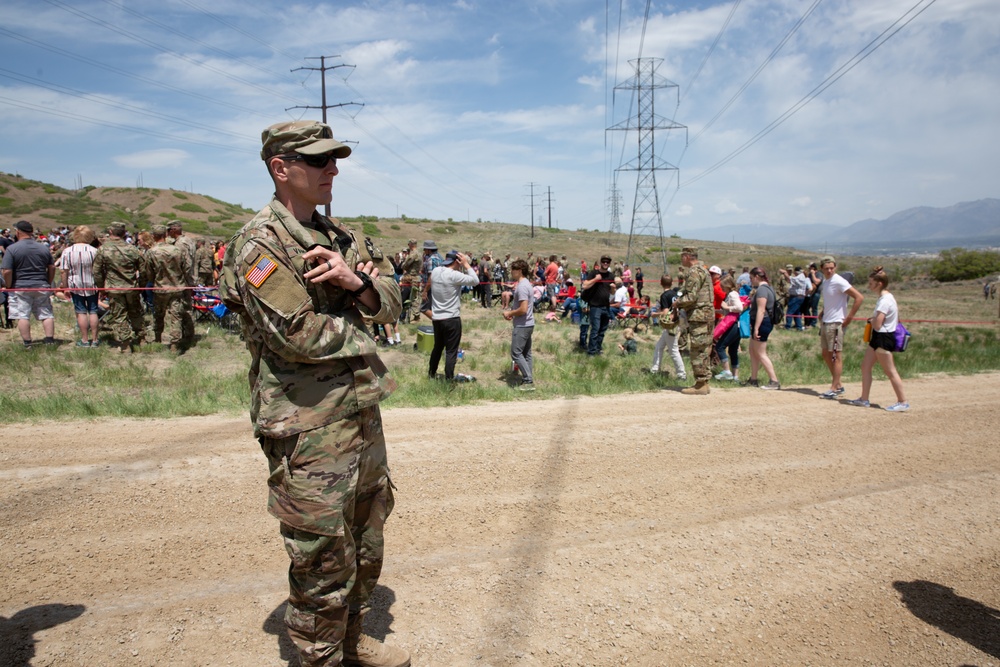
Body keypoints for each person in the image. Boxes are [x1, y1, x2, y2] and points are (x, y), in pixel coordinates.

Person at [219, 120, 408, 667]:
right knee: (321, 553)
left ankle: (350, 642)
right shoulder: (260, 243)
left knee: (367, 537)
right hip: (306, 425)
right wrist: (368, 320)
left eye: (335, 159)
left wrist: (358, 284)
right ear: (281, 168)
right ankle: (320, 658)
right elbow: (297, 335)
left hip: (359, 412)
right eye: (320, 160)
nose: (334, 169)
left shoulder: (344, 238)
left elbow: (395, 300)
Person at [848, 266, 909, 412]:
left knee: (890, 371)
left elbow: (877, 324)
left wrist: (873, 319)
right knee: (865, 366)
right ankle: (864, 399)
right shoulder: (886, 298)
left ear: (879, 283)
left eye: (871, 283)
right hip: (878, 337)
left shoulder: (884, 301)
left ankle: (902, 401)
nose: (869, 286)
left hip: (883, 337)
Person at [93, 221, 147, 353]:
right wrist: (141, 285)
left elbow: (97, 272)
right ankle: (141, 339)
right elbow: (144, 270)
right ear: (124, 233)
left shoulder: (103, 250)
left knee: (119, 316)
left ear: (111, 232)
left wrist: (101, 288)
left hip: (114, 288)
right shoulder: (133, 249)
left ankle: (125, 343)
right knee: (136, 312)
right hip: (132, 287)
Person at [1, 220, 56, 347]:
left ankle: (27, 343)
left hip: (20, 286)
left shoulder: (12, 249)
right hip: (41, 285)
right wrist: (47, 281)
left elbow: (7, 271)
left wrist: (9, 285)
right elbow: (52, 267)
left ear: (18, 232)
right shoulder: (43, 247)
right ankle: (49, 340)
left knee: (23, 315)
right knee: (46, 313)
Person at [817, 255, 864, 399]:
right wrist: (823, 311)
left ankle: (834, 386)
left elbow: (859, 297)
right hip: (826, 322)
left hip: (836, 323)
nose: (829, 270)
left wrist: (849, 317)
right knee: (826, 354)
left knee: (836, 355)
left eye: (832, 268)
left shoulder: (839, 281)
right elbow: (832, 300)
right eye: (826, 268)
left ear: (835, 267)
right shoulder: (826, 282)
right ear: (822, 269)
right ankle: (838, 384)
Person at [428, 249, 479, 382]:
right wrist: (467, 265)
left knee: (437, 348)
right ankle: (449, 379)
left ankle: (431, 373)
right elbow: (475, 280)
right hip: (451, 318)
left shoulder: (436, 271)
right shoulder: (454, 275)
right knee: (451, 351)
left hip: (437, 317)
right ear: (457, 261)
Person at [146, 225, 192, 353]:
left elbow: (148, 272)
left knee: (158, 315)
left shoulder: (152, 252)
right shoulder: (176, 250)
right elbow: (186, 267)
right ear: (165, 235)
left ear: (154, 236)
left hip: (160, 288)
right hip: (177, 288)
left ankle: (157, 338)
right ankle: (174, 344)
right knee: (175, 316)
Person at [674, 247, 713, 394]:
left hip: (699, 315)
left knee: (697, 349)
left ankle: (701, 383)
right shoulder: (703, 270)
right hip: (706, 315)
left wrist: (677, 303)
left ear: (688, 257)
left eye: (682, 256)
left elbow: (691, 297)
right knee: (704, 349)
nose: (681, 259)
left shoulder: (694, 272)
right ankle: (704, 382)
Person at [57, 225, 100, 348]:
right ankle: (95, 340)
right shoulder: (95, 251)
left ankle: (85, 340)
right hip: (93, 284)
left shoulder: (67, 251)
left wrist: (65, 287)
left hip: (76, 285)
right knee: (93, 311)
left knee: (80, 312)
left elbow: (63, 271)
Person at [502, 258, 535, 390]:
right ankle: (528, 378)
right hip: (528, 323)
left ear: (520, 271)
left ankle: (528, 381)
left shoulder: (522, 286)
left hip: (523, 325)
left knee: (516, 353)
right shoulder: (526, 284)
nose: (511, 272)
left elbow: (523, 309)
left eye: (513, 270)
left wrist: (510, 313)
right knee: (526, 353)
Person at [745, 267, 780, 389]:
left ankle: (774, 380)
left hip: (762, 322)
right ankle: (753, 379)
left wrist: (756, 328)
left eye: (751, 278)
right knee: (753, 350)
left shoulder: (761, 290)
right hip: (763, 322)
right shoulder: (769, 288)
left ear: (756, 276)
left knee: (760, 353)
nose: (751, 281)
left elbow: (761, 310)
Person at [713, 275, 745, 381]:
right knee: (732, 351)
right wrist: (717, 311)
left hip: (733, 325)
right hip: (736, 325)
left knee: (720, 347)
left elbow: (739, 308)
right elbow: (729, 311)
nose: (721, 288)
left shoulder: (732, 294)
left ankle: (727, 372)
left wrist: (726, 307)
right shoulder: (731, 294)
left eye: (722, 286)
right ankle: (736, 377)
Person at [581, 255, 613, 355]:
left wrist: (613, 288)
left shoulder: (610, 276)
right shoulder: (594, 273)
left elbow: (612, 293)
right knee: (595, 329)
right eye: (604, 261)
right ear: (601, 262)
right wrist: (595, 279)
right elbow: (585, 285)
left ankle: (598, 349)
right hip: (595, 306)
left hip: (606, 306)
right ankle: (591, 351)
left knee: (602, 330)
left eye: (607, 262)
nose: (606, 263)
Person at [398, 239, 421, 323]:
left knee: (411, 297)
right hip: (416, 277)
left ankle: (415, 316)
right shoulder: (419, 253)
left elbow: (405, 265)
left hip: (411, 278)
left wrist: (403, 265)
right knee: (415, 297)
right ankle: (414, 316)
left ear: (411, 244)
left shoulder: (413, 254)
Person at [786, 266, 810, 330]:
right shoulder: (802, 277)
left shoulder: (800, 277)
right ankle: (799, 326)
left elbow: (791, 279)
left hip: (796, 297)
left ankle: (788, 326)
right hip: (799, 297)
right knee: (797, 312)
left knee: (790, 312)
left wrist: (785, 273)